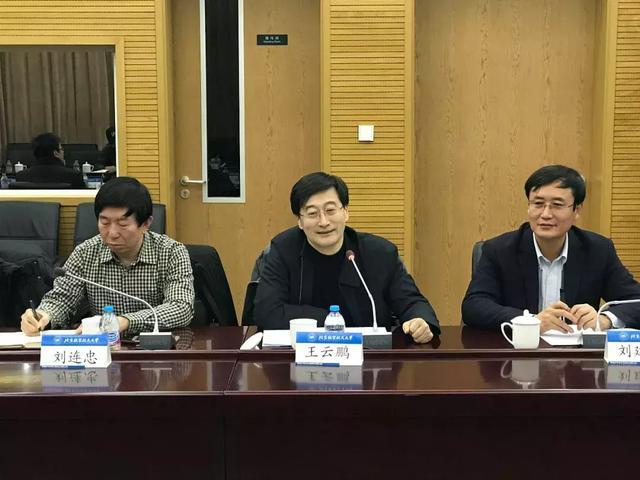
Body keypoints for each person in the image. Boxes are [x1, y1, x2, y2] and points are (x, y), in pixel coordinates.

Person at [254, 171, 440, 343]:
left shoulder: (380, 253)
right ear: (300, 221)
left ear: (345, 212)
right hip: (299, 357)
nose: (323, 222)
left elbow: (412, 302)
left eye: (330, 210)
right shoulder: (283, 251)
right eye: (312, 213)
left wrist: (420, 321)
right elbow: (266, 313)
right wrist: (330, 320)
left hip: (369, 359)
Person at [462, 164, 640, 333]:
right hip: (517, 350)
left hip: (577, 352)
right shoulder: (499, 250)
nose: (546, 214)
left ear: (577, 210)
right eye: (538, 203)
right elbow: (474, 306)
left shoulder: (598, 250)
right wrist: (531, 321)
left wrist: (604, 320)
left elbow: (635, 301)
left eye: (557, 205)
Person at [20, 177, 194, 335]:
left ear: (146, 224)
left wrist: (125, 322)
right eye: (104, 222)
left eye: (123, 224)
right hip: (102, 349)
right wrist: (43, 315)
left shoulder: (171, 252)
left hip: (156, 350)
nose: (112, 233)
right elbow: (62, 299)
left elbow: (181, 307)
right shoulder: (86, 252)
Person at [15, 132, 85, 188]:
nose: (63, 152)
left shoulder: (21, 176)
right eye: (61, 149)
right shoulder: (74, 176)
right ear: (56, 153)